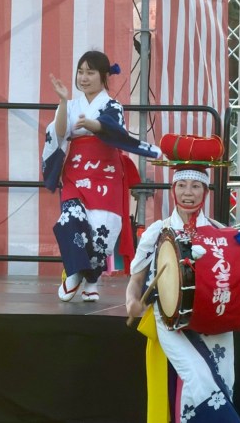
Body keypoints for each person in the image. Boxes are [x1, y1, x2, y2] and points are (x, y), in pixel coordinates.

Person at [126, 159, 240, 422]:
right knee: (198, 383)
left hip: (216, 324)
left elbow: (237, 281)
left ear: (205, 191)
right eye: (181, 185)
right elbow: (135, 281)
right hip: (172, 325)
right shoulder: (157, 232)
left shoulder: (222, 233)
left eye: (195, 186)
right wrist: (132, 302)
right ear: (173, 189)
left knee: (222, 384)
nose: (188, 193)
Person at [42, 50, 160, 302]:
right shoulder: (72, 105)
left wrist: (92, 125)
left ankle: (92, 280)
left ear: (104, 76)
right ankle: (74, 272)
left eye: (90, 72)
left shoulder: (112, 106)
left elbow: (113, 129)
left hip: (105, 174)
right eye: (80, 72)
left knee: (101, 231)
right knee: (70, 218)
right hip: (76, 172)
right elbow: (60, 132)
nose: (84, 78)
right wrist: (62, 101)